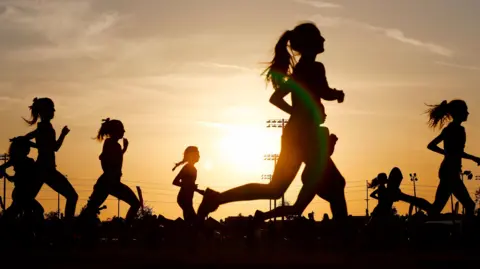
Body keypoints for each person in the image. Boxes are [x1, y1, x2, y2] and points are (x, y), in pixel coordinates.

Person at [197, 22, 345, 219]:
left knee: (275, 189)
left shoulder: (299, 71)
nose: (323, 39)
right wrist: (337, 94)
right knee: (335, 185)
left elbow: (276, 98)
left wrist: (299, 112)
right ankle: (346, 238)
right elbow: (324, 92)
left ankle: (216, 198)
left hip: (295, 134)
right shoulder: (315, 68)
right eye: (319, 36)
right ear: (310, 43)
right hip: (307, 137)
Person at [252, 105, 348, 221]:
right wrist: (332, 142)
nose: (325, 116)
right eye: (323, 113)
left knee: (297, 208)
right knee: (336, 200)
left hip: (313, 174)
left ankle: (264, 215)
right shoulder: (322, 131)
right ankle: (340, 227)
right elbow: (324, 154)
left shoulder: (304, 134)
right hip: (319, 174)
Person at [23, 97, 78, 220]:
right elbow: (55, 147)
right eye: (52, 109)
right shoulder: (46, 127)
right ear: (44, 111)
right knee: (72, 196)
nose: (54, 111)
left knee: (26, 199)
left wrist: (24, 139)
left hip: (42, 168)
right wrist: (63, 135)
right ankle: (67, 229)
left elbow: (33, 139)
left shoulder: (42, 126)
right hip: (47, 169)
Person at [425, 100, 479, 217]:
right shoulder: (457, 130)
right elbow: (457, 152)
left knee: (436, 208)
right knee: (469, 205)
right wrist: (474, 158)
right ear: (459, 113)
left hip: (448, 171)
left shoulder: (450, 129)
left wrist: (447, 153)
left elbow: (433, 146)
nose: (468, 113)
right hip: (450, 173)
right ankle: (466, 233)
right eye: (465, 111)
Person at [82, 119, 140, 225]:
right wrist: (110, 173)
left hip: (109, 183)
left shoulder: (110, 144)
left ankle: (77, 230)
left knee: (91, 209)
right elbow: (106, 160)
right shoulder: (111, 144)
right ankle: (125, 231)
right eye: (122, 129)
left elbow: (111, 159)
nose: (124, 131)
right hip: (109, 183)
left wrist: (124, 150)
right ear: (116, 131)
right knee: (135, 204)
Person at [0, 136, 44, 224]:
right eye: (26, 147)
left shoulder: (23, 161)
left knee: (18, 212)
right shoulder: (20, 161)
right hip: (21, 194)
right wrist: (8, 176)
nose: (28, 149)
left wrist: (8, 176)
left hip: (23, 193)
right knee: (36, 211)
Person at [172, 146, 205, 223]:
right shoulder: (187, 168)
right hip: (184, 198)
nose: (199, 156)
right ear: (192, 155)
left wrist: (197, 189)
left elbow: (189, 185)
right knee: (193, 221)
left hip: (187, 199)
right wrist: (192, 187)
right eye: (197, 154)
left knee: (190, 221)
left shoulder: (192, 168)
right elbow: (175, 181)